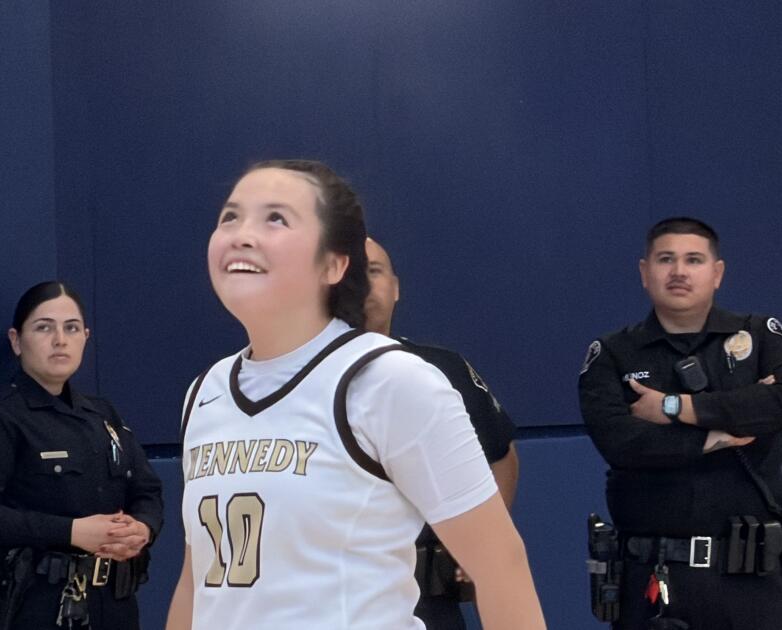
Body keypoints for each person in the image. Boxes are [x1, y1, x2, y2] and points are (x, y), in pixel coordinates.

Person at [164, 160, 544, 629]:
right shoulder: (205, 392)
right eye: (230, 216)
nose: (242, 235)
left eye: (275, 218)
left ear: (334, 264)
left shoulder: (389, 380)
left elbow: (501, 566)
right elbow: (196, 580)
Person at [578, 217, 782, 630]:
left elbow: (778, 404)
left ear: (717, 273)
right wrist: (712, 437)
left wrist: (672, 406)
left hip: (750, 584)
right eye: (666, 259)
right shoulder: (613, 354)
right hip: (653, 577)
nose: (679, 271)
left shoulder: (759, 337)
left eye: (693, 260)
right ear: (645, 272)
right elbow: (622, 443)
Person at [0, 281, 163, 629]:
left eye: (71, 328)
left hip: (115, 605)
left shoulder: (103, 415)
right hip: (37, 607)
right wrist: (71, 532)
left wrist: (142, 528)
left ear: (85, 337)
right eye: (44, 328)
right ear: (16, 340)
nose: (60, 340)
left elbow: (147, 490)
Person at [363, 237, 519, 630]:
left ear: (396, 288)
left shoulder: (440, 370)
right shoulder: (299, 378)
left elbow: (500, 457)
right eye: (352, 275)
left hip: (428, 600)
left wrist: (481, 547)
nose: (364, 284)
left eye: (374, 271)